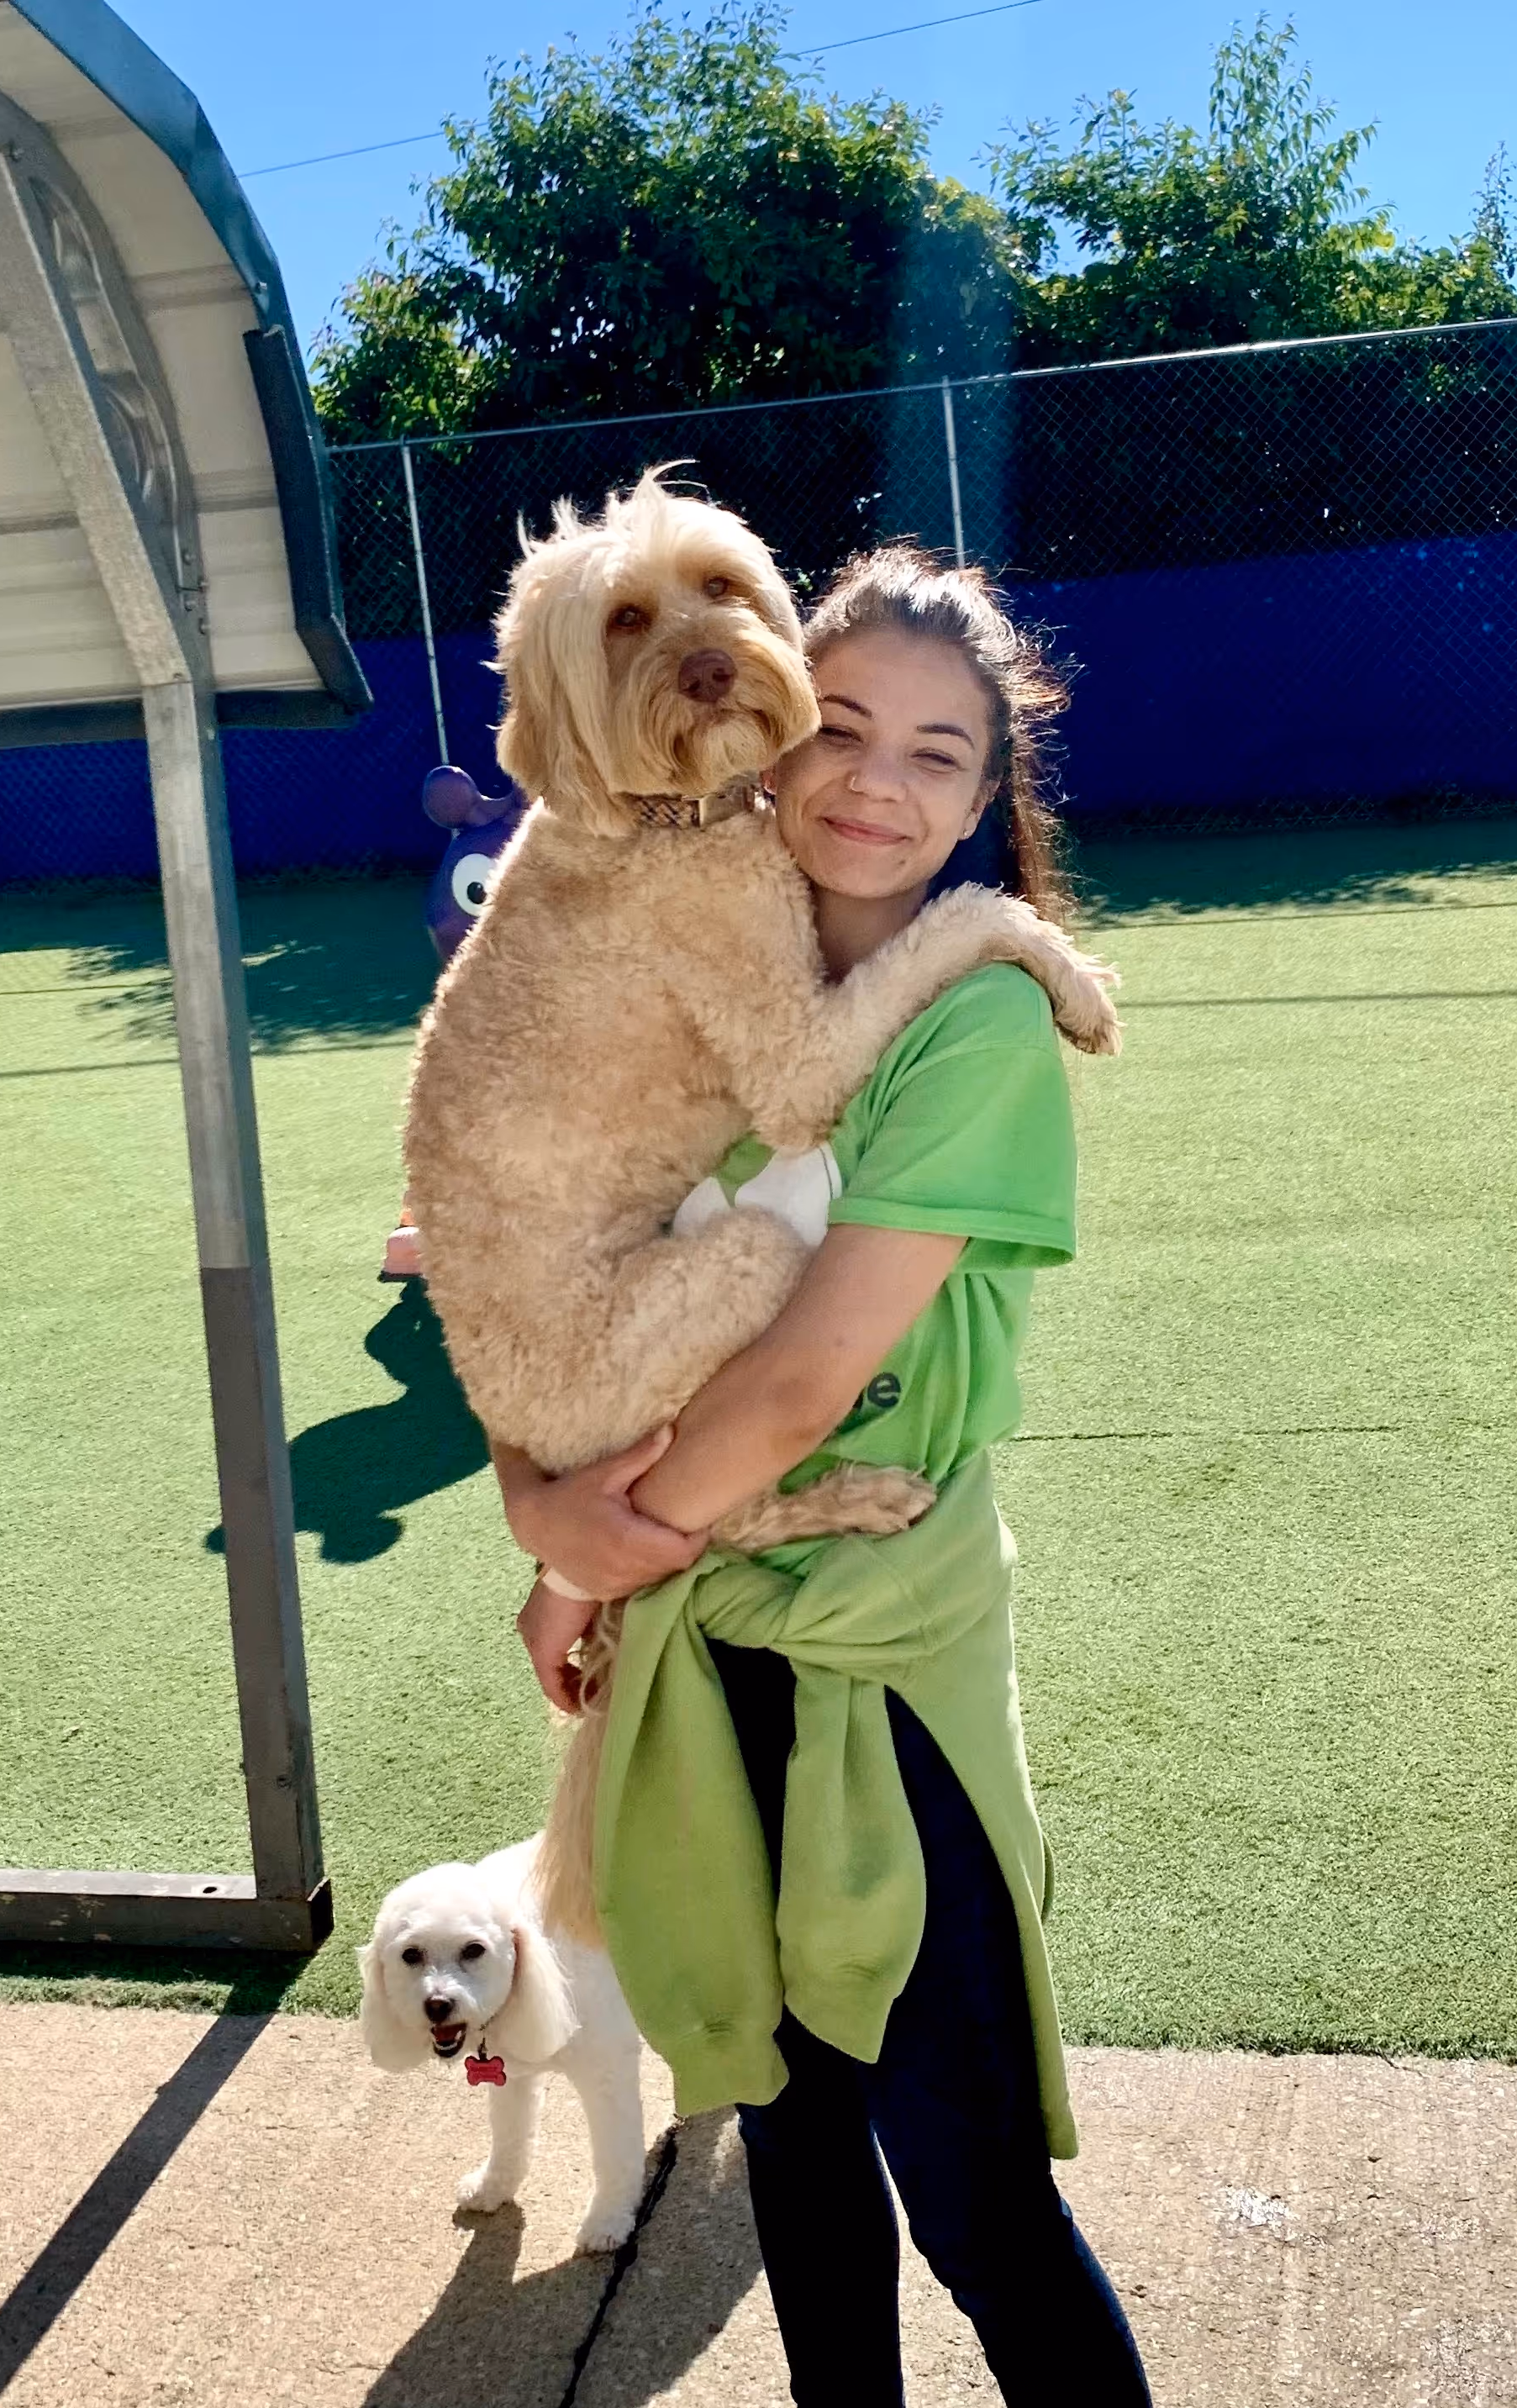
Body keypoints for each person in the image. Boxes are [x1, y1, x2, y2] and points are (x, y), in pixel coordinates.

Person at [492, 548, 1151, 2405]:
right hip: (698, 1649)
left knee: (969, 2188)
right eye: (840, 723)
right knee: (787, 2146)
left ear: (982, 800)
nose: (877, 778)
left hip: (878, 1651)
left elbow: (793, 1386)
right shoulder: (683, 979)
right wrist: (530, 1485)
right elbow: (536, 1236)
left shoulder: (979, 1019)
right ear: (764, 728)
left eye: (939, 755)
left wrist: (578, 1556)